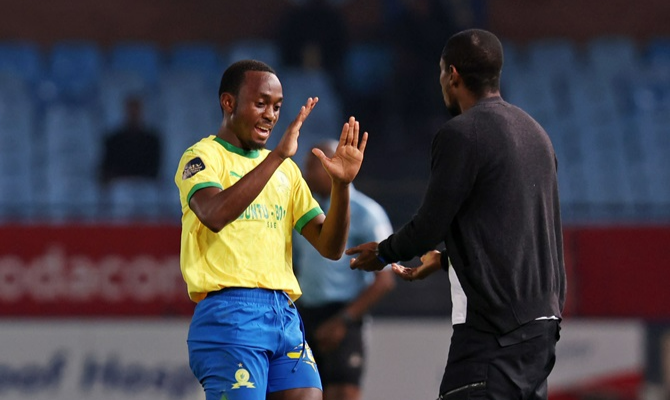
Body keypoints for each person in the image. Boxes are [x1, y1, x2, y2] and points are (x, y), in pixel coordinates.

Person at [347, 29, 567, 400]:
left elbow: (431, 224)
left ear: (452, 75)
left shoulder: (461, 134)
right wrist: (450, 260)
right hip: (541, 326)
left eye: (440, 73)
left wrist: (382, 253)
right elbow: (515, 226)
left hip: (494, 330)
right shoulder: (536, 133)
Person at [174, 59, 368, 400]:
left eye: (277, 106)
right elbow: (214, 214)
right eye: (260, 103)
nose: (271, 115)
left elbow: (330, 246)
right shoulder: (201, 158)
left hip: (284, 315)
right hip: (229, 315)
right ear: (228, 102)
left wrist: (341, 187)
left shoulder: (287, 173)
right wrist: (276, 156)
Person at [293, 139, 395, 400]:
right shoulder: (303, 210)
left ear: (332, 166)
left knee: (343, 392)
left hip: (344, 313)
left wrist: (343, 321)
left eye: (312, 167)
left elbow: (384, 280)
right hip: (304, 315)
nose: (306, 174)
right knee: (296, 392)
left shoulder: (367, 213)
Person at [99, 96, 161, 185]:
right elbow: (107, 169)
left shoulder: (152, 140)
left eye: (136, 110)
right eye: (131, 110)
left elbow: (154, 170)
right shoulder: (113, 141)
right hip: (119, 188)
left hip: (146, 188)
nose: (133, 114)